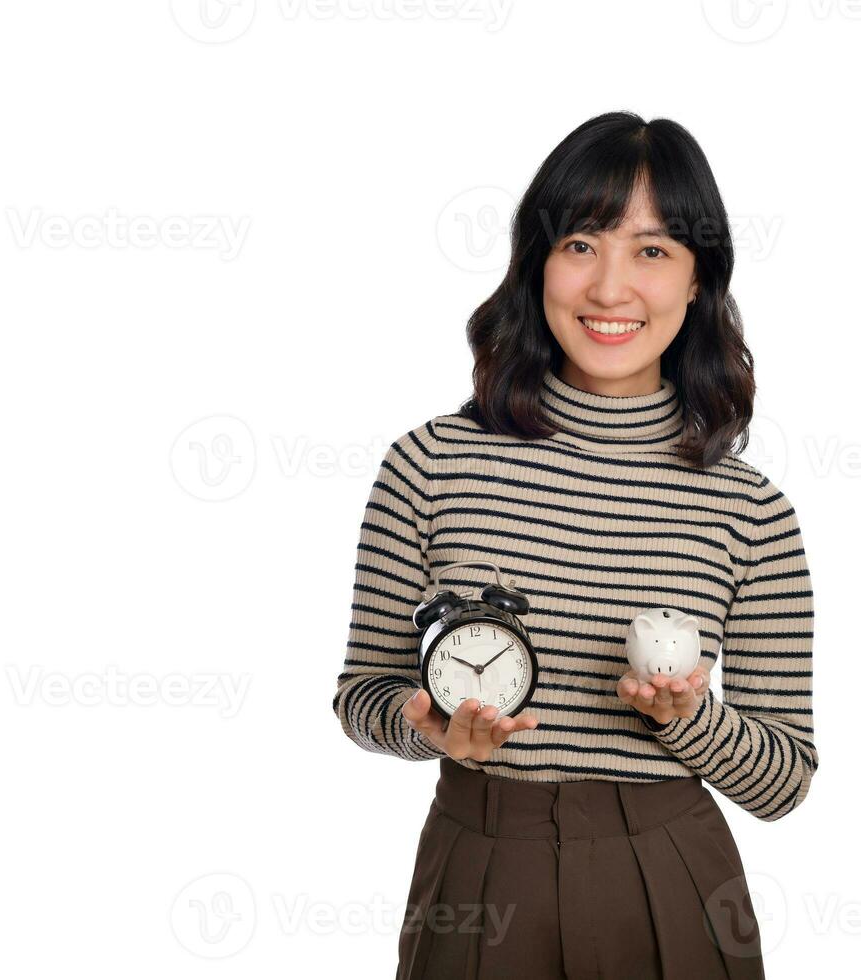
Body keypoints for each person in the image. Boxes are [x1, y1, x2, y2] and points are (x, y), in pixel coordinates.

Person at [332, 110, 816, 980]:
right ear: (536, 264)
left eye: (654, 251)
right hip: (478, 874)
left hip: (671, 874)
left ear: (701, 280)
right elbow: (362, 694)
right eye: (582, 244)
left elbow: (784, 780)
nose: (610, 289)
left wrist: (688, 723)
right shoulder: (430, 464)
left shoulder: (752, 511)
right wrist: (428, 728)